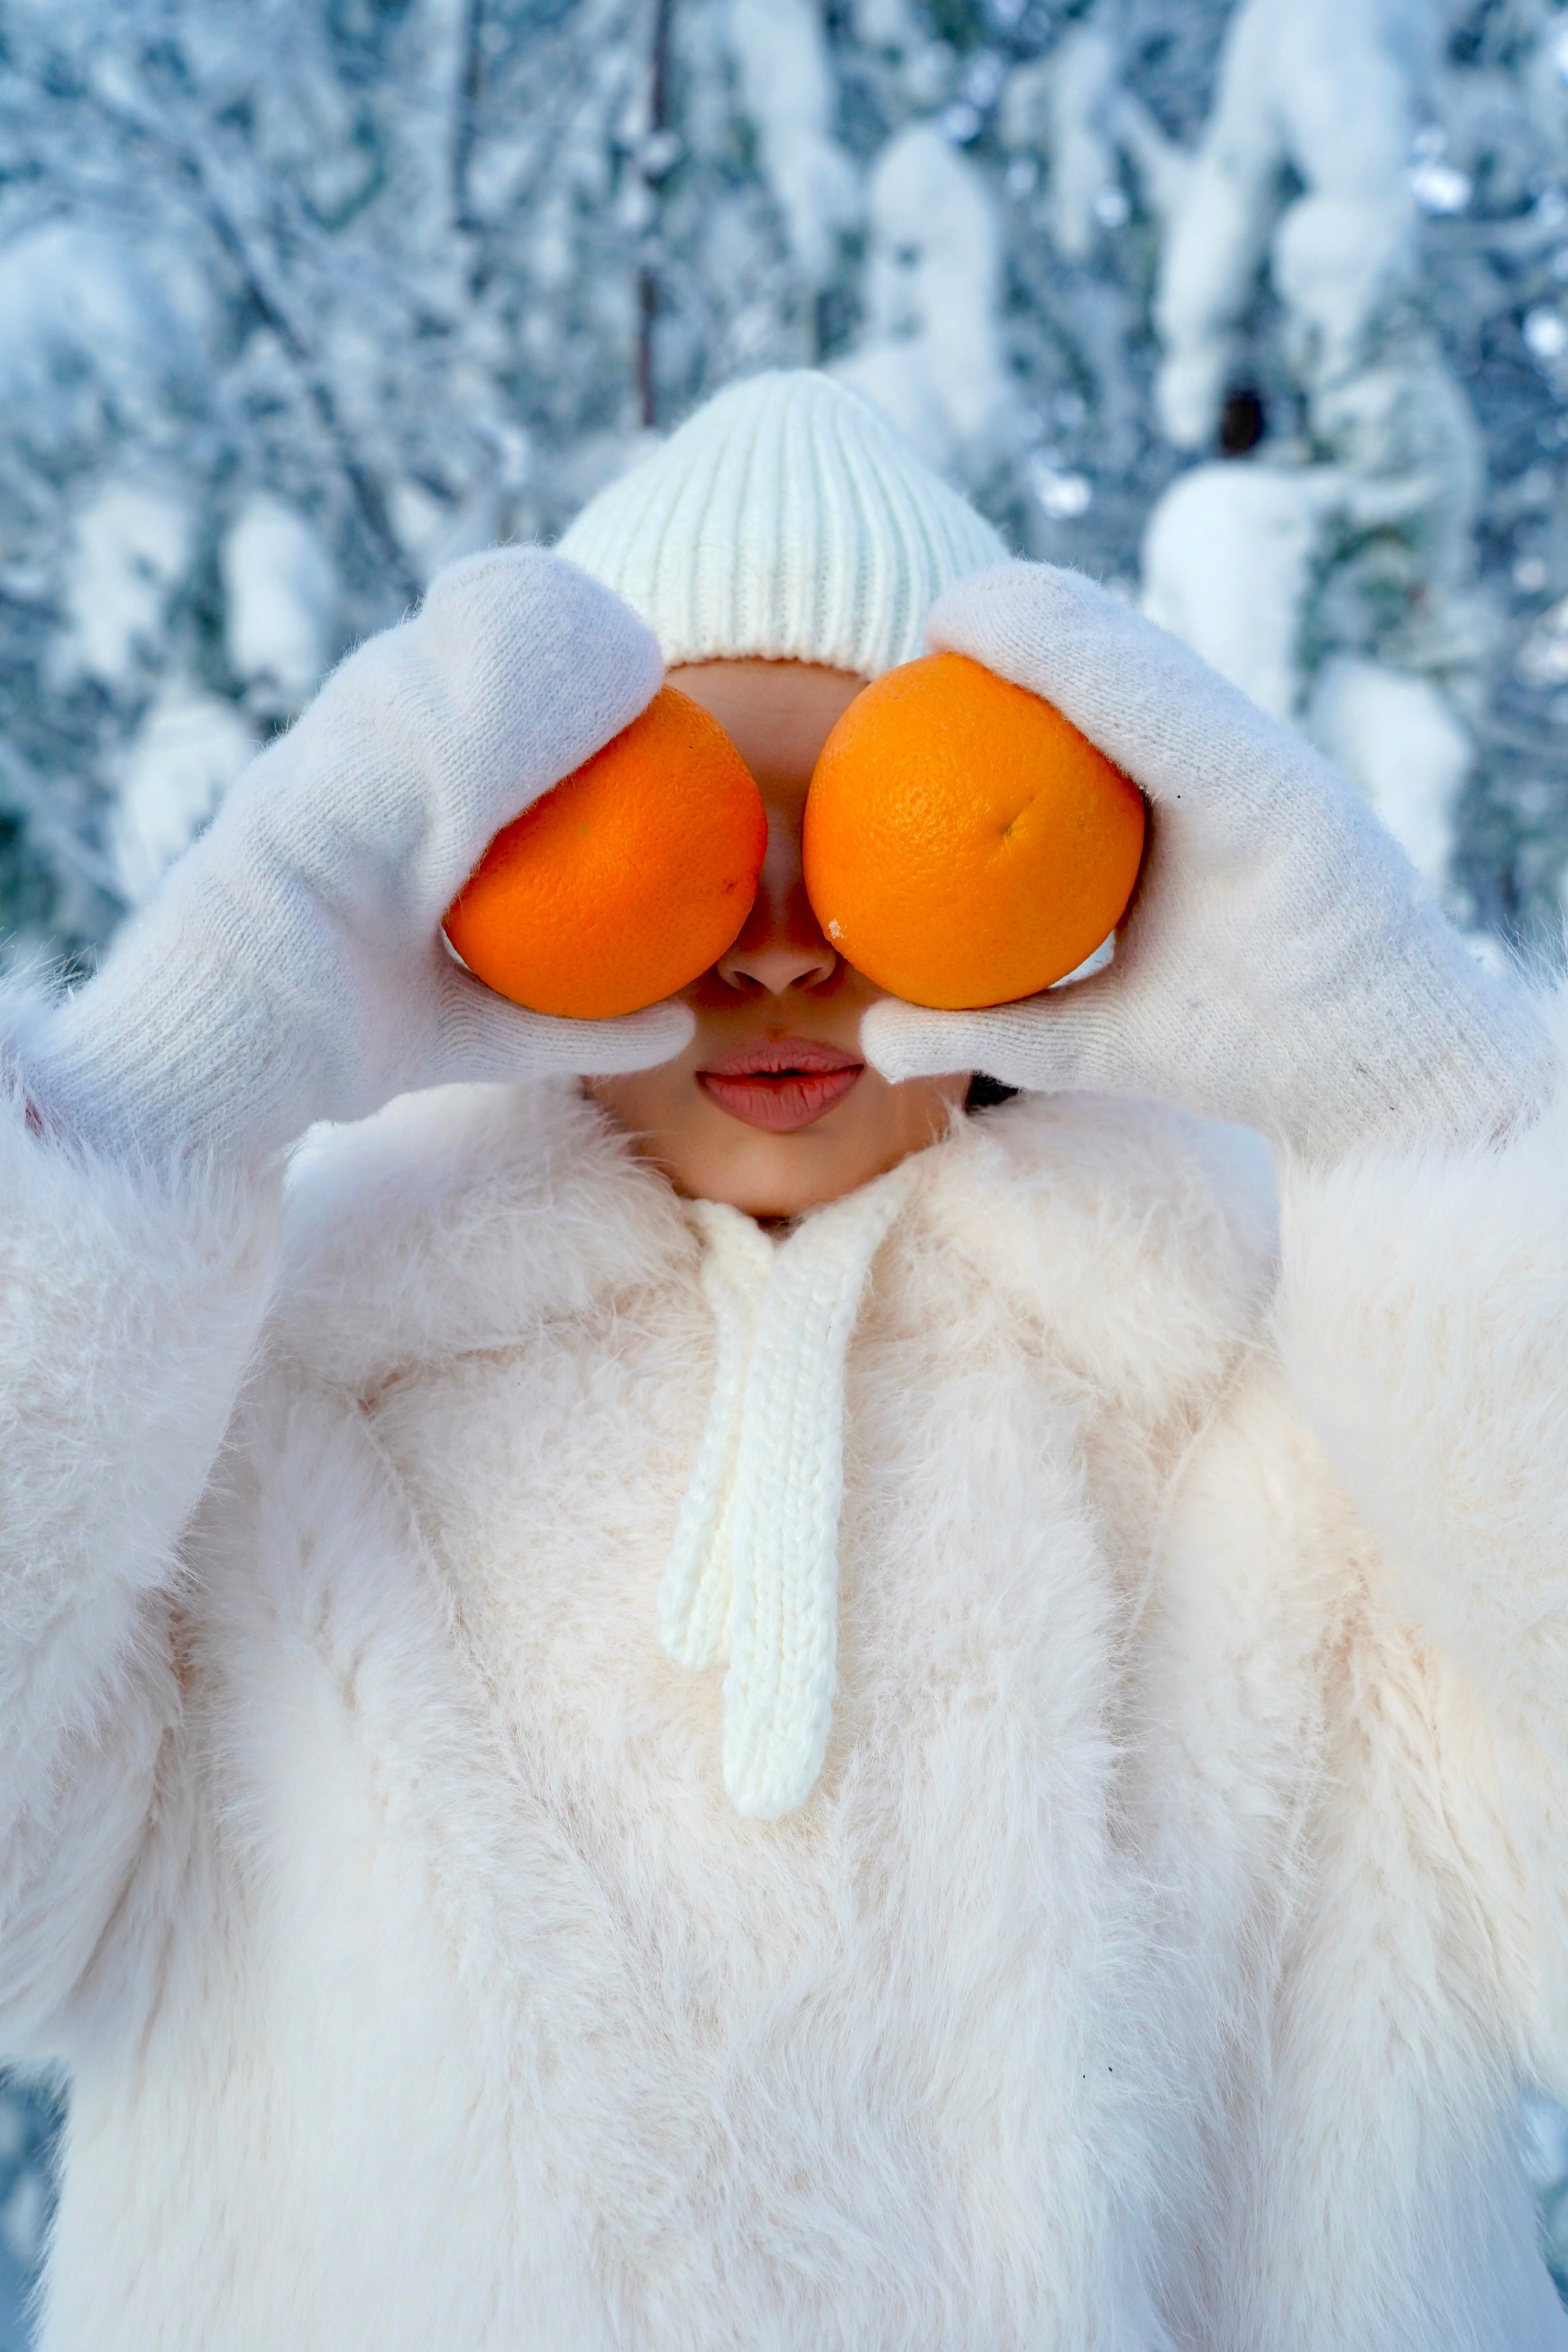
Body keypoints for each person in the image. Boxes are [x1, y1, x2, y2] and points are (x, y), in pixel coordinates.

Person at [2, 369, 1566, 2350]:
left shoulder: (1308, 1439)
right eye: (681, 853)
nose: (774, 954)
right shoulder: (254, 1422)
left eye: (868, 855)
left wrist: (1432, 1114)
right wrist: (135, 1121)